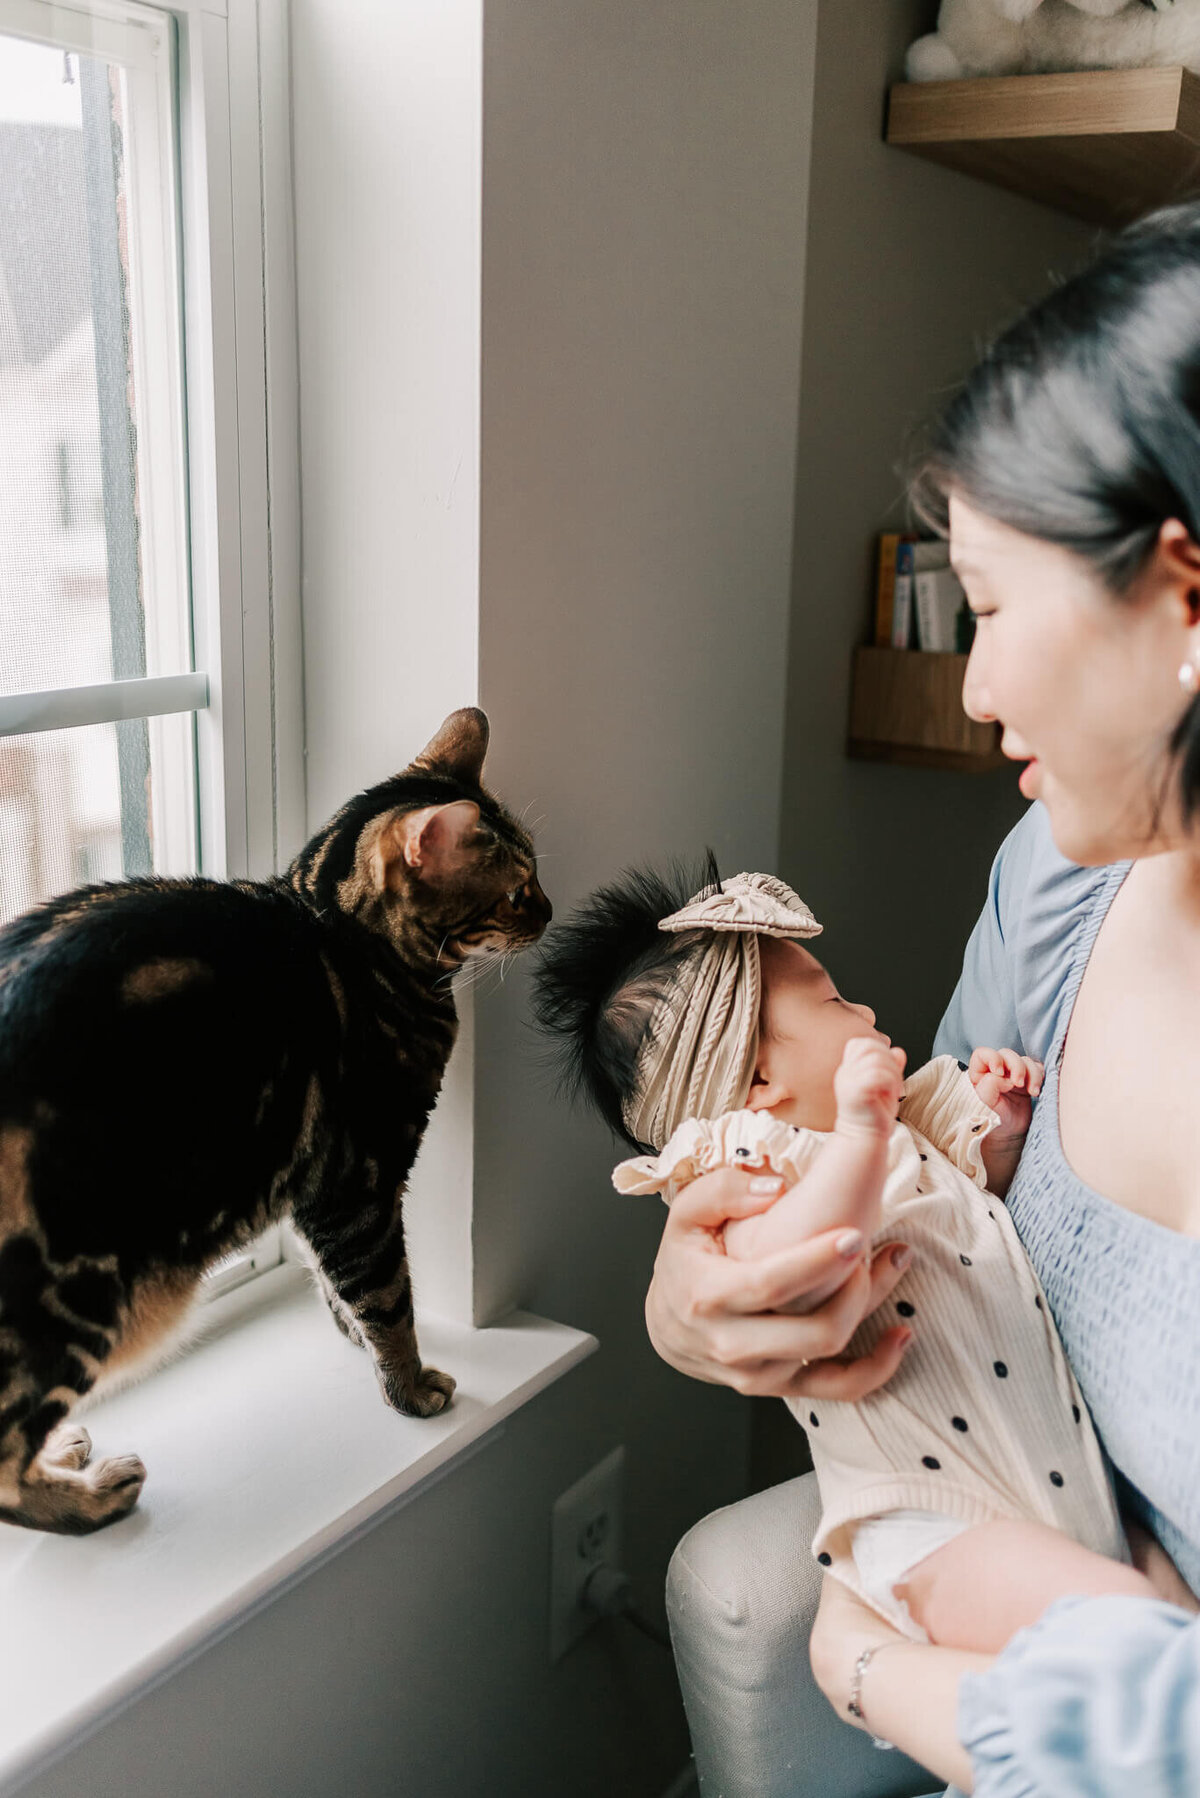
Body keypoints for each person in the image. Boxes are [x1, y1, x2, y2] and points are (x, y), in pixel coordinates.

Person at [643, 199, 1200, 1795]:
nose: (969, 683)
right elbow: (923, 1188)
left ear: (1182, 595)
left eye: (996, 607)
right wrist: (702, 1308)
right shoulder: (1061, 881)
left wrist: (871, 1663)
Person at [536, 858, 1171, 1659]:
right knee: (1135, 1635)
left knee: (1147, 1612)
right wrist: (866, 1135)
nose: (865, 1007)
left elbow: (973, 1204)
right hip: (933, 1526)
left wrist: (999, 1127)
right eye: (835, 999)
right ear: (760, 1079)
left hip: (1051, 1476)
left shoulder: (897, 1130)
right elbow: (805, 1255)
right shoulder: (757, 1167)